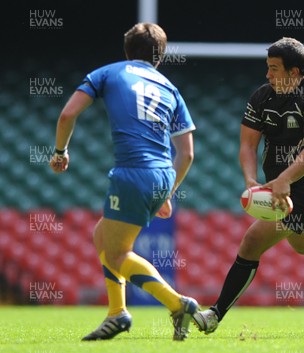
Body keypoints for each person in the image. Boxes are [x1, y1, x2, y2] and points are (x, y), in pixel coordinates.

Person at [192, 37, 304, 334]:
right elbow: (248, 145)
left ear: (296, 71)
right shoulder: (262, 97)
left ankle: (214, 314)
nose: (268, 74)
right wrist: (251, 180)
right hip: (278, 187)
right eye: (268, 67)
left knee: (251, 243)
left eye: (274, 69)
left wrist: (285, 180)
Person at [49, 23, 199, 341]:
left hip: (133, 171)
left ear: (127, 49)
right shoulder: (170, 88)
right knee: (102, 234)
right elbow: (186, 154)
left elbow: (66, 115)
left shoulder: (108, 72)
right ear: (160, 57)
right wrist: (167, 193)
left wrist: (60, 151)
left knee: (117, 254)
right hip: (163, 174)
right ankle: (117, 313)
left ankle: (177, 304)